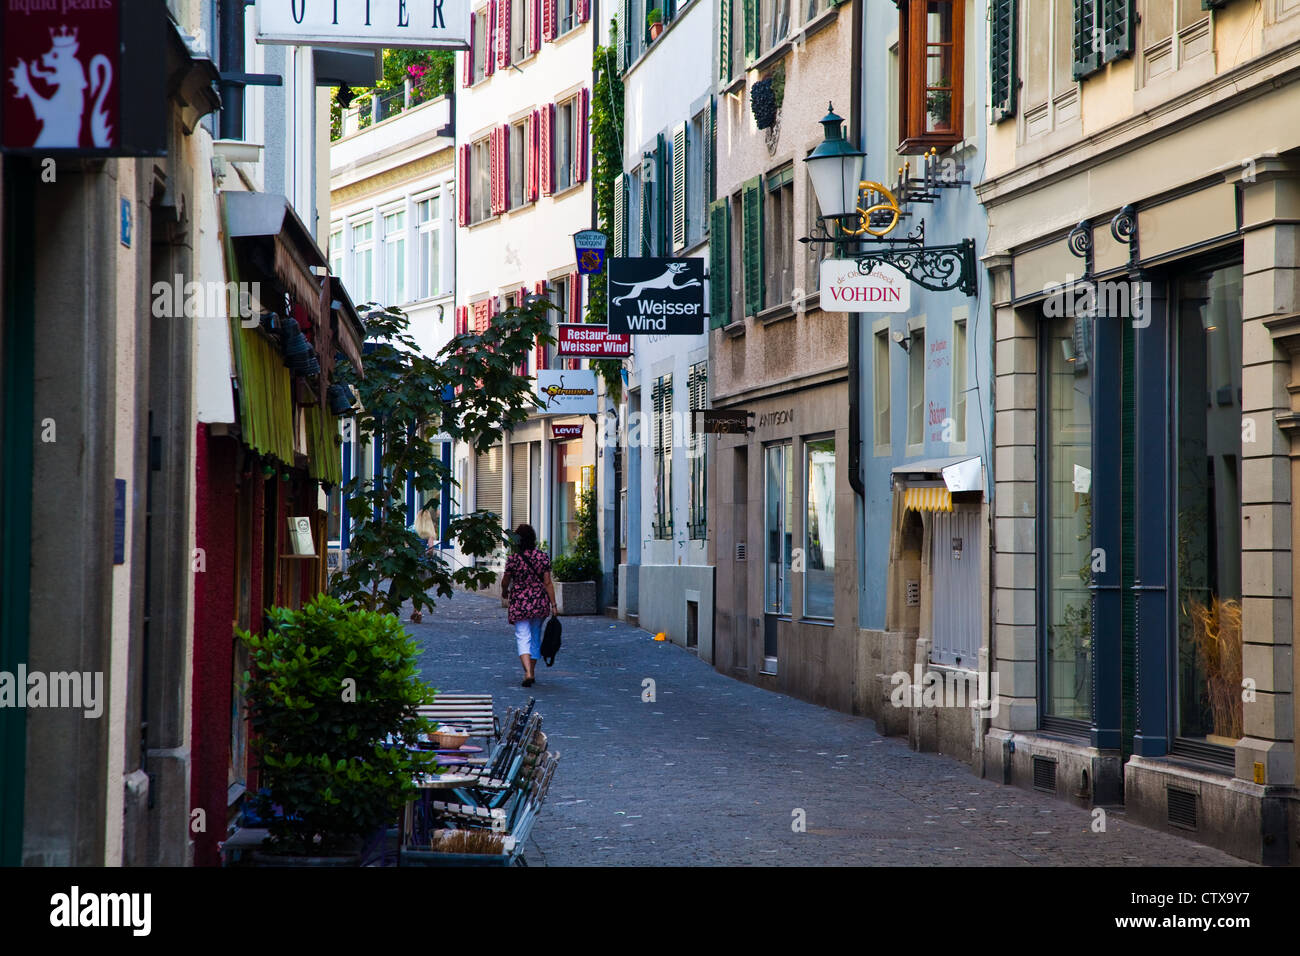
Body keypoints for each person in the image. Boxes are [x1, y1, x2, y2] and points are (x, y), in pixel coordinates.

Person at [499, 523, 556, 687]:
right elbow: (548, 583)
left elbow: (506, 580)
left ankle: (528, 672)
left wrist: (504, 591)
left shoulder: (513, 559)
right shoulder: (542, 557)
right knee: (535, 636)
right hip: (539, 601)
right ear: (533, 539)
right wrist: (554, 604)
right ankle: (531, 670)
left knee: (522, 635)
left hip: (520, 602)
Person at [406, 500, 439, 624]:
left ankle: (416, 610)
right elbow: (430, 549)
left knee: (412, 587)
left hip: (410, 563)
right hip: (422, 563)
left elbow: (406, 545)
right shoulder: (428, 532)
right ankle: (418, 610)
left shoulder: (410, 529)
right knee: (419, 588)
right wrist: (428, 556)